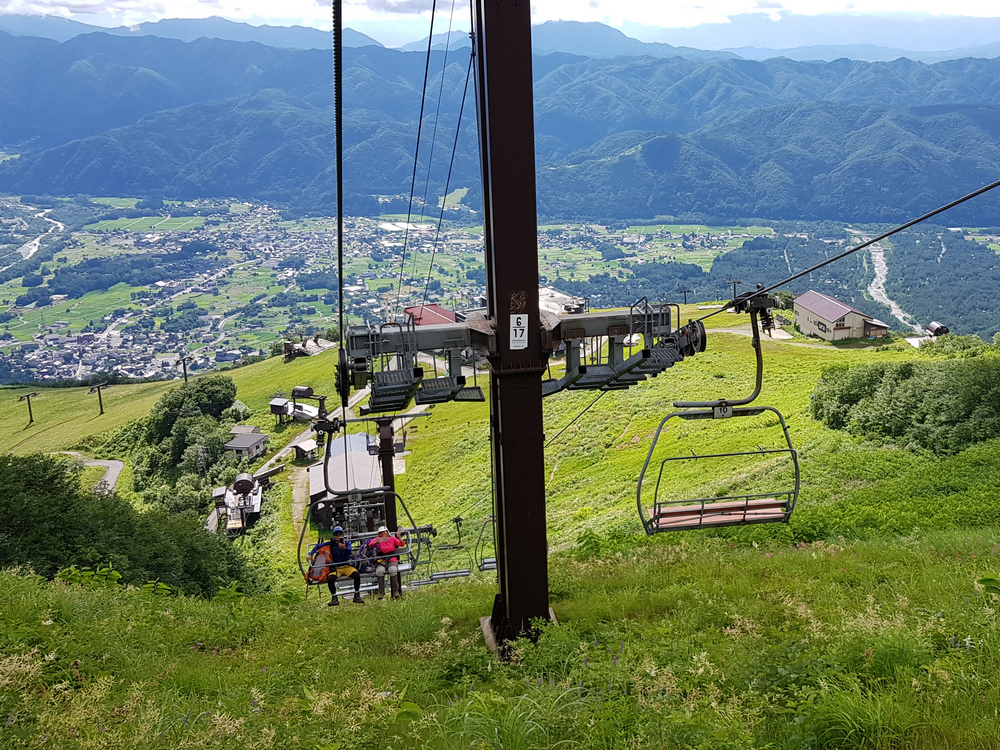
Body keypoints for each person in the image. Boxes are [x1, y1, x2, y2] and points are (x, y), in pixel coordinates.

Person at [325, 526, 365, 606]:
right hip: (337, 567)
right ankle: (334, 598)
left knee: (356, 575)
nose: (338, 536)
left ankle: (357, 595)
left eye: (340, 534)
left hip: (347, 565)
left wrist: (344, 548)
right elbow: (318, 546)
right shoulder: (331, 544)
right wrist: (310, 554)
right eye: (336, 534)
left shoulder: (346, 543)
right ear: (333, 536)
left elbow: (349, 551)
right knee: (330, 578)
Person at [367, 525, 405, 599]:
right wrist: (376, 542)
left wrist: (399, 537)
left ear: (387, 532)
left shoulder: (392, 539)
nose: (383, 534)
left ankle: (395, 591)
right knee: (380, 571)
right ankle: (381, 592)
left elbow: (402, 544)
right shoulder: (378, 539)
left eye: (384, 532)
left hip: (392, 559)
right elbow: (370, 544)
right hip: (382, 560)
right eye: (381, 533)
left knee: (393, 570)